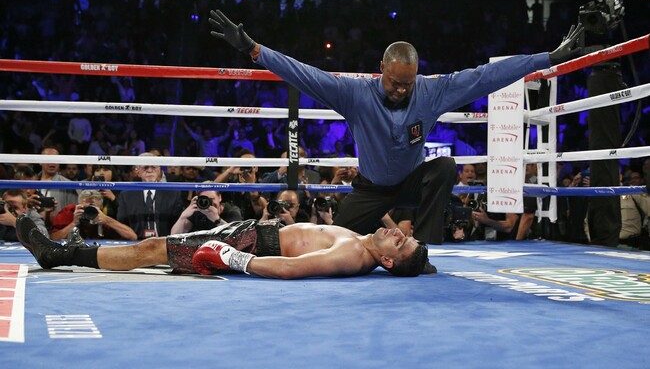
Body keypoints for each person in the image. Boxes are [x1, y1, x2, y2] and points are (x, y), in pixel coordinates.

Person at [208, 10, 583, 244]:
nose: (402, 89)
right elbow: (306, 74)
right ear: (381, 69)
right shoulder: (354, 94)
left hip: (412, 185)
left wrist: (546, 58)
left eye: (408, 83)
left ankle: (424, 248)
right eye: (394, 82)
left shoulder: (431, 92)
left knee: (445, 166)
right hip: (371, 189)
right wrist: (255, 50)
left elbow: (485, 76)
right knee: (333, 241)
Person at [16, 213, 434, 279]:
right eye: (405, 233)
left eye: (401, 243)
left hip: (251, 242)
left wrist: (234, 258)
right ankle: (78, 249)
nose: (398, 232)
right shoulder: (364, 242)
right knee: (159, 247)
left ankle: (61, 254)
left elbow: (292, 269)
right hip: (255, 233)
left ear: (386, 260)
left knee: (155, 248)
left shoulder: (353, 254)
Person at [116, 154, 183, 239]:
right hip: (136, 243)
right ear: (138, 172)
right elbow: (122, 223)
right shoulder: (126, 195)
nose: (150, 170)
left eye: (153, 167)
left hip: (163, 242)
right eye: (146, 167)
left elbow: (178, 223)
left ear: (159, 170)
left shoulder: (172, 194)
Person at [50, 190, 137, 241]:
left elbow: (132, 236)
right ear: (78, 205)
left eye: (92, 208)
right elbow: (54, 238)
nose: (88, 211)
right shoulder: (70, 212)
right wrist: (73, 223)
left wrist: (107, 220)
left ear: (101, 208)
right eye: (84, 208)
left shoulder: (103, 217)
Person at [170, 190, 241, 235]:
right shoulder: (197, 210)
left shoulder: (231, 210)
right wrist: (183, 216)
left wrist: (217, 219)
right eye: (205, 200)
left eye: (211, 199)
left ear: (219, 197)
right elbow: (174, 235)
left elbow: (237, 236)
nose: (209, 203)